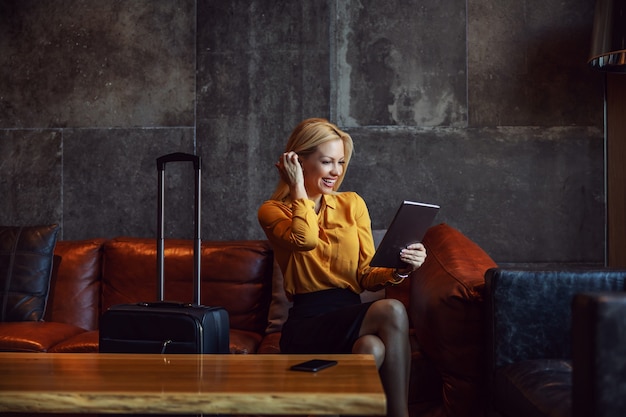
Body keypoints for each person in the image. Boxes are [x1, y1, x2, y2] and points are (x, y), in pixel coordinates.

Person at [257, 118, 427, 417]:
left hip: (351, 314)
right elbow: (304, 239)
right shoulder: (273, 210)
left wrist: (401, 269)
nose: (336, 171)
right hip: (308, 323)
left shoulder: (353, 204)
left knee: (372, 347)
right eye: (326, 162)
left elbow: (366, 276)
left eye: (340, 162)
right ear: (298, 161)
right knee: (392, 309)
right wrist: (297, 187)